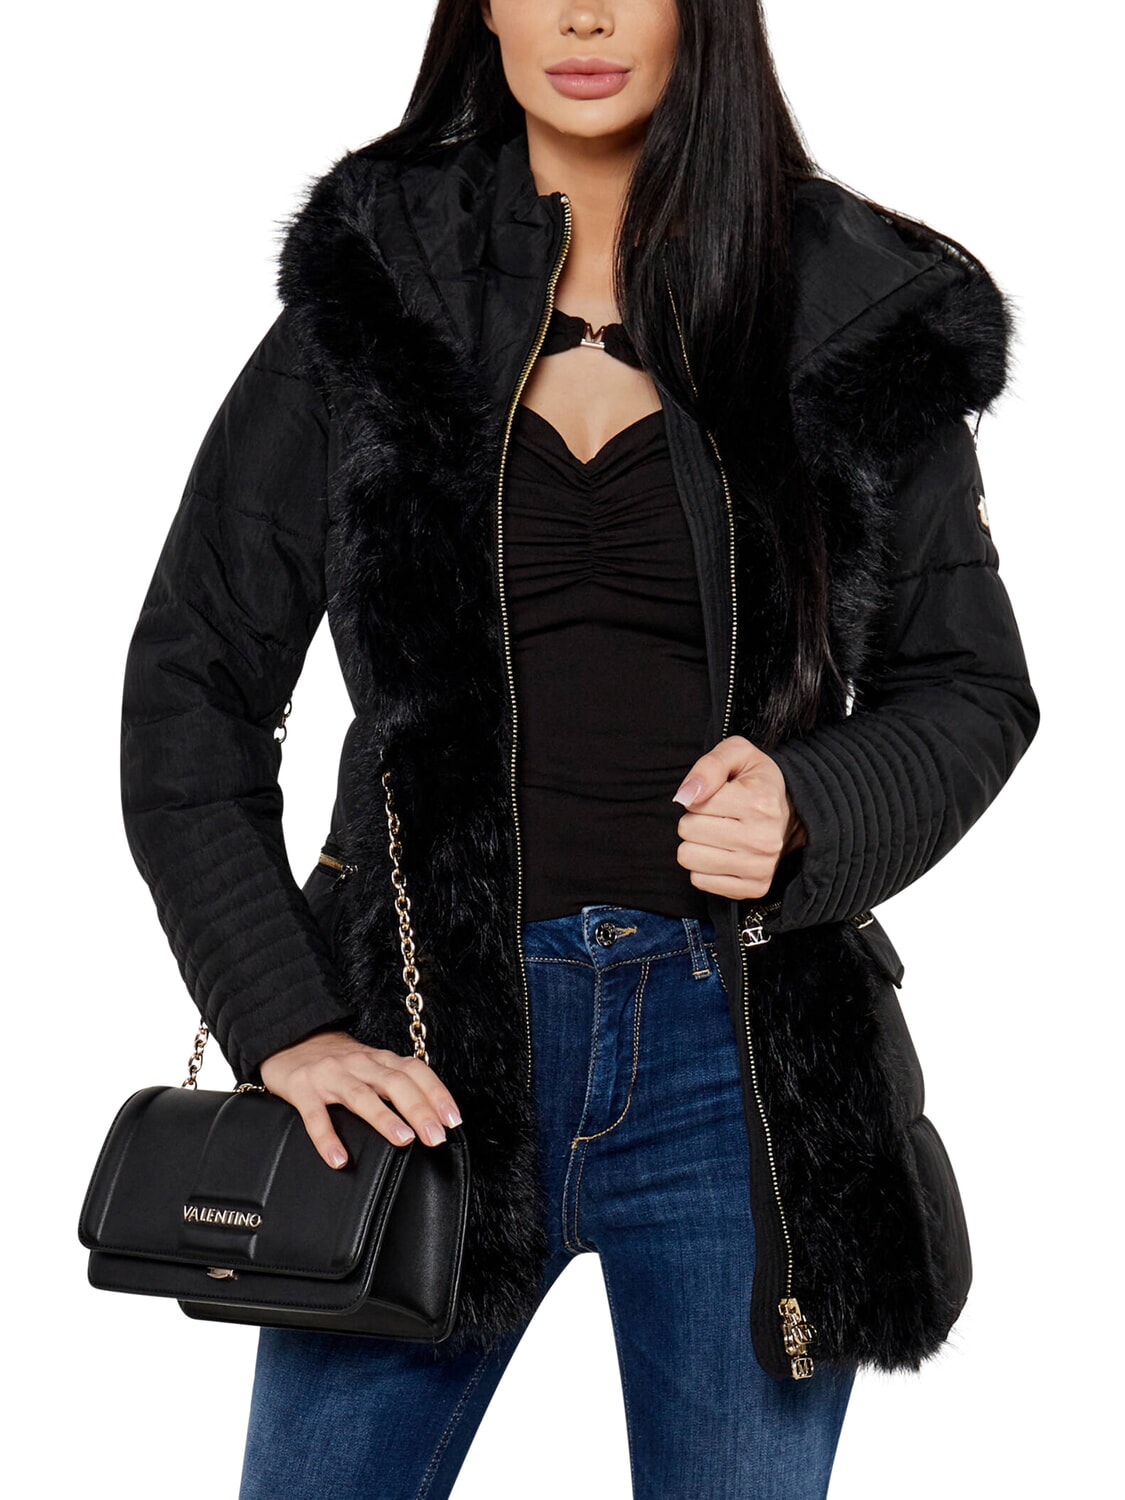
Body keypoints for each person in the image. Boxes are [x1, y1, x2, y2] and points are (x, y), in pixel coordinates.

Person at [118, 2, 1040, 1496]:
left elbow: (970, 688)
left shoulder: (852, 303)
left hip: (742, 1076)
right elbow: (190, 688)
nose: (586, 15)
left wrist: (813, 805)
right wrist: (282, 1019)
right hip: (421, 1064)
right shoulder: (383, 284)